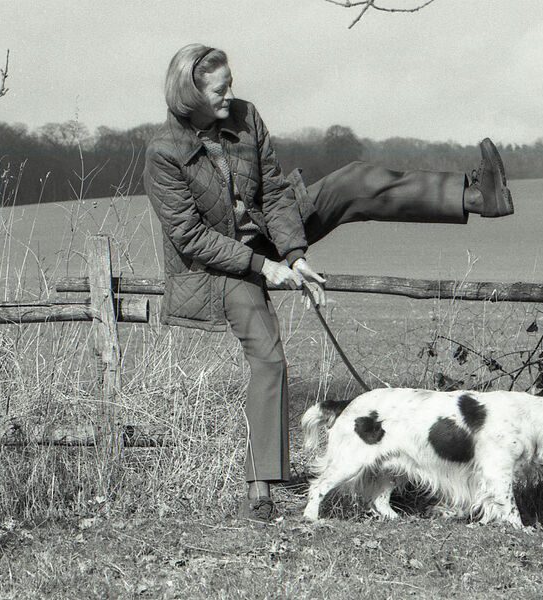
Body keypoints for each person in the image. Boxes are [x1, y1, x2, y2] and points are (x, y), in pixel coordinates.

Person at [144, 43, 514, 522]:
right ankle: (260, 490)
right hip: (222, 264)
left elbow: (275, 191)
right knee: (269, 357)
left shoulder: (245, 117)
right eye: (220, 88)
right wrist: (264, 268)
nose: (231, 94)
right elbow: (189, 236)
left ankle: (476, 197)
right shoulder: (164, 153)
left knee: (352, 181)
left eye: (231, 83)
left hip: (270, 236)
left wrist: (294, 255)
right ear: (189, 93)